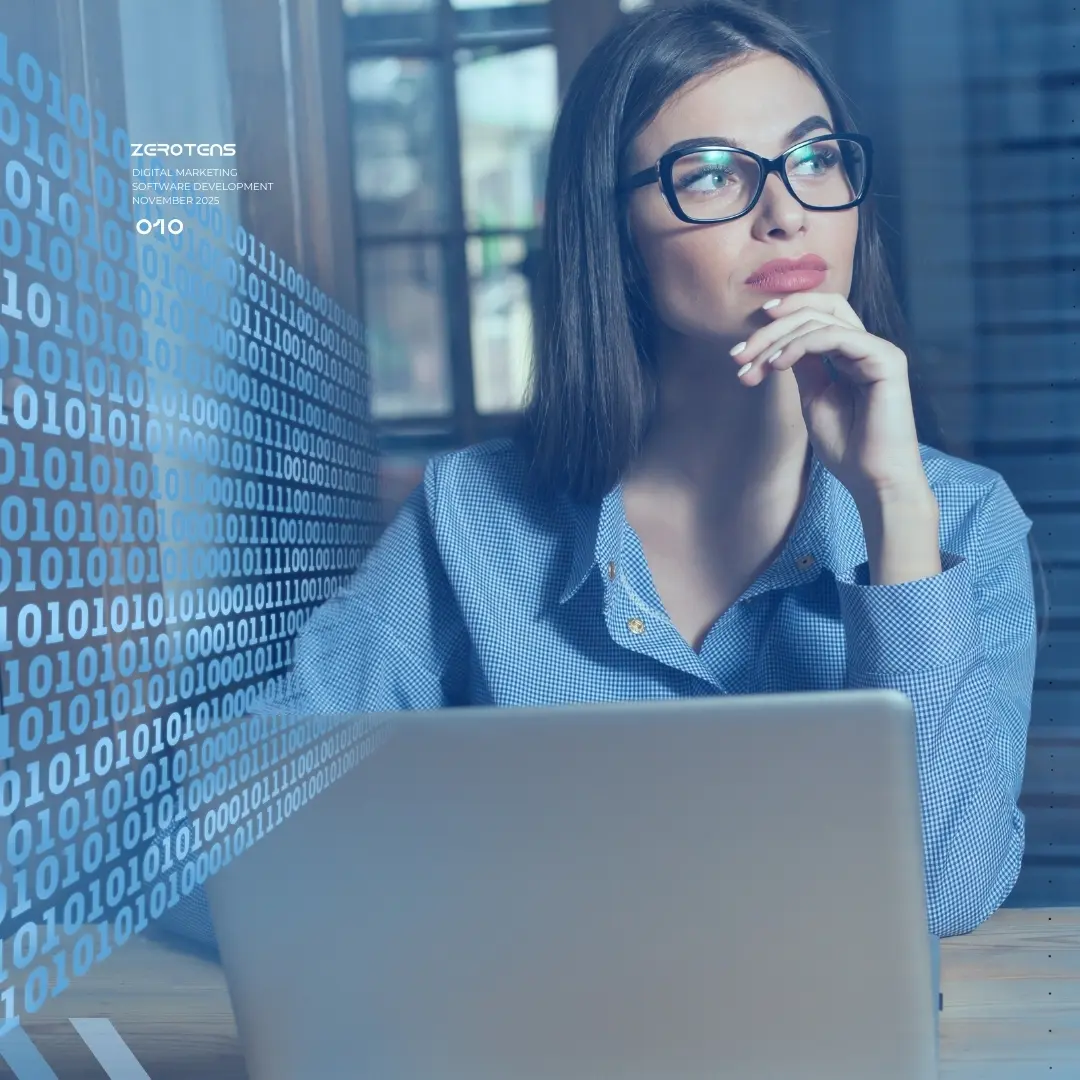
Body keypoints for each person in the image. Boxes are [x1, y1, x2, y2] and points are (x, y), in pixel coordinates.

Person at [159, 0, 1039, 948]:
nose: (788, 214)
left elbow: (943, 892)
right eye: (709, 176)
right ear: (613, 236)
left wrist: (892, 507)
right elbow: (223, 850)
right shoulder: (474, 518)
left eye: (816, 159)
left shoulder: (961, 519)